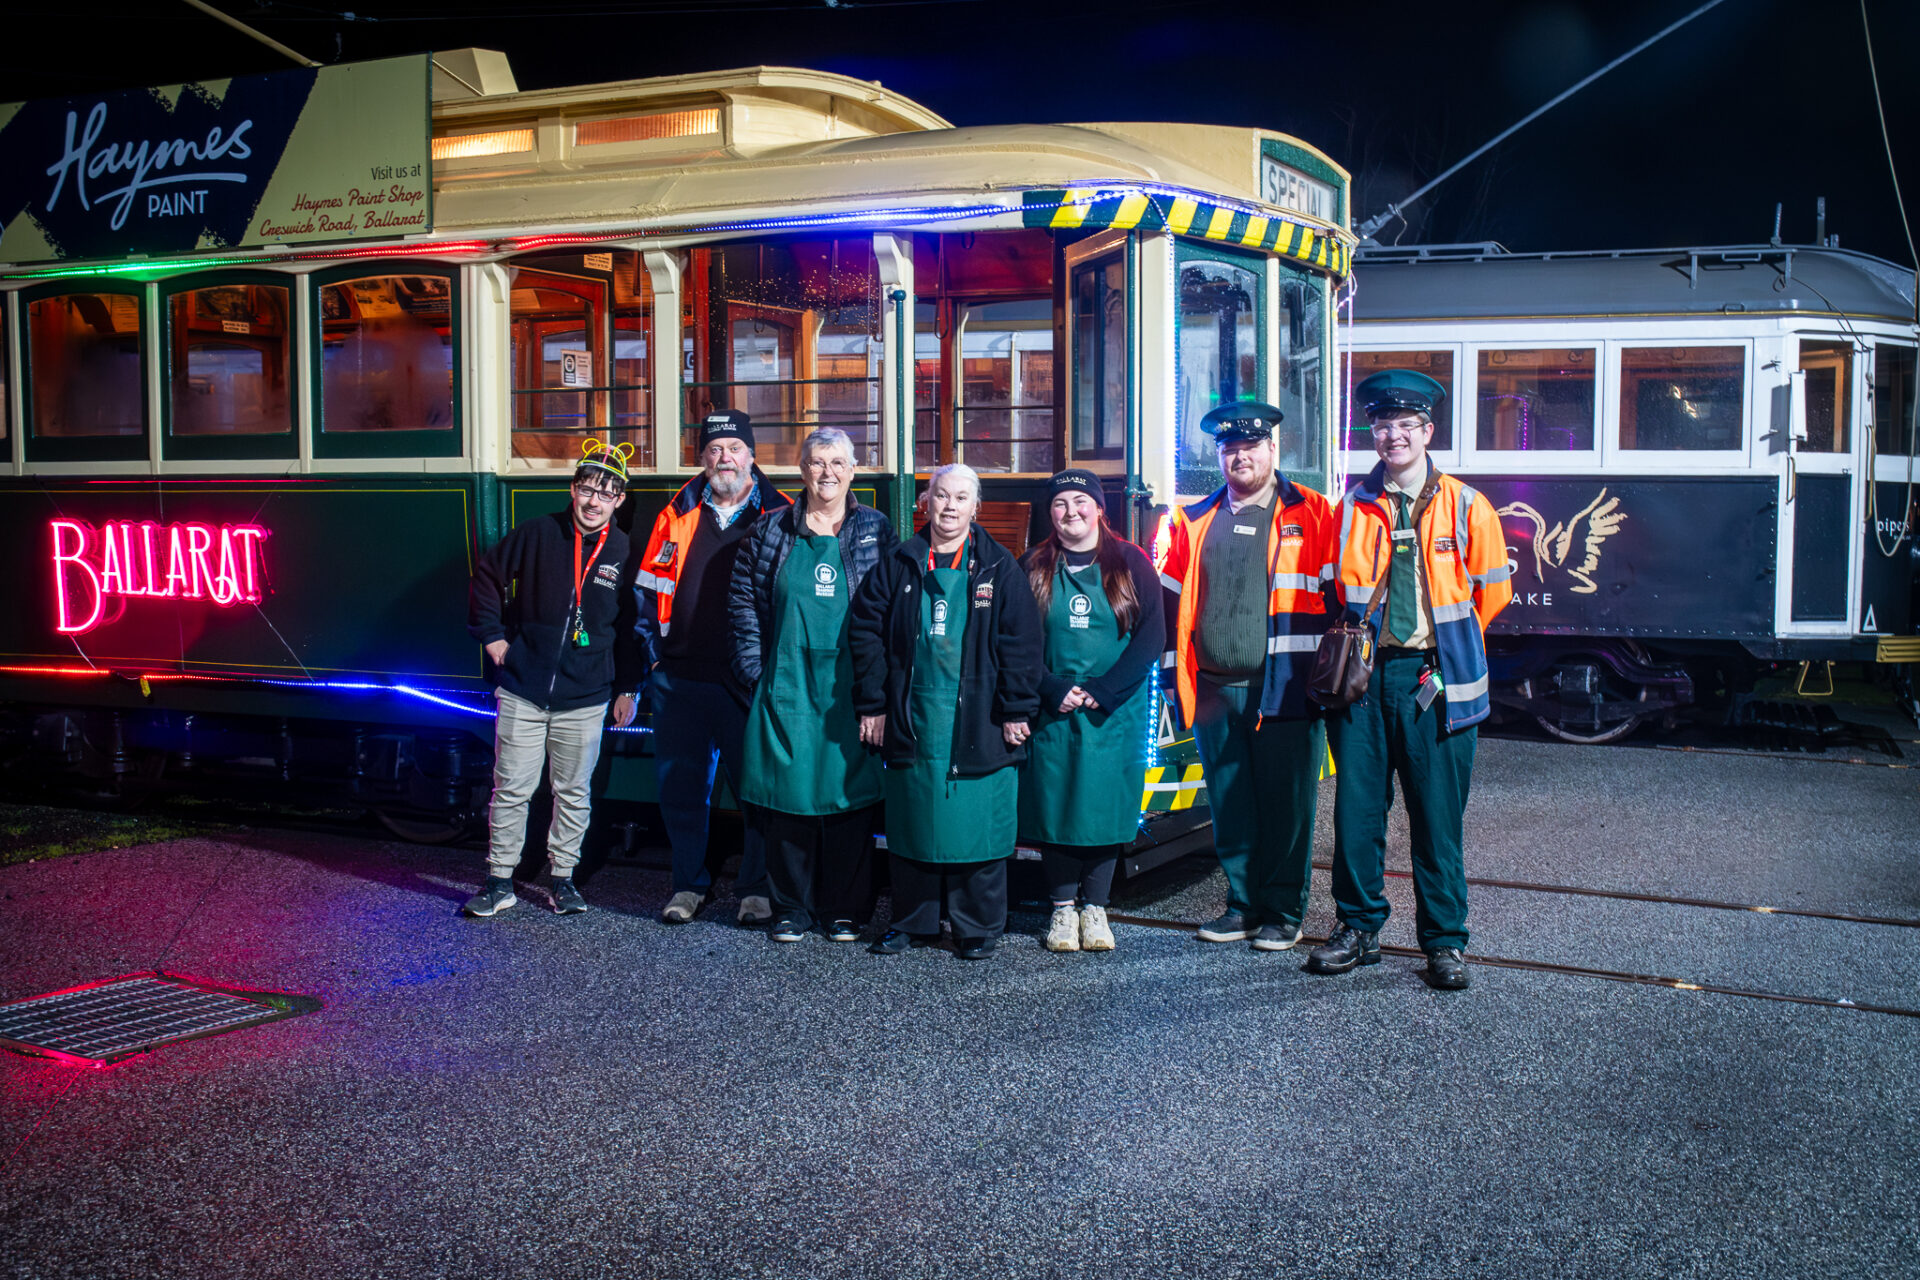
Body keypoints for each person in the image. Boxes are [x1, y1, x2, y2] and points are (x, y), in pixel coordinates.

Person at [1306, 369, 1513, 991]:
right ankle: (1359, 929)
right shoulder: (1350, 508)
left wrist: (1441, 649)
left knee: (1437, 816)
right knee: (1357, 811)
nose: (1391, 435)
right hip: (1363, 683)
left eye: (1404, 425)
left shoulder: (1468, 505)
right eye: (1381, 425)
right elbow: (1327, 587)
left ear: (1428, 431)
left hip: (1434, 679)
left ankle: (1444, 942)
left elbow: (1493, 593)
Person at [1157, 401, 1339, 951]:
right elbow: (1170, 608)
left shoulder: (1314, 513)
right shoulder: (1193, 521)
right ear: (1218, 457)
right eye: (1229, 449)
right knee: (1230, 800)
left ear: (1272, 450)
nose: (1240, 457)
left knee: (1288, 804)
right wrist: (1173, 679)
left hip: (1287, 686)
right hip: (1214, 688)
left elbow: (1341, 600)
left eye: (1250, 447)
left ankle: (1284, 911)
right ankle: (1242, 906)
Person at [848, 464, 1042, 961]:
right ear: (925, 503)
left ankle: (976, 926)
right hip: (915, 718)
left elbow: (1022, 645)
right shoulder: (899, 563)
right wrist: (873, 703)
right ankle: (913, 922)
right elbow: (865, 632)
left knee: (977, 826)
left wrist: (1018, 709)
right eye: (941, 496)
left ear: (976, 508)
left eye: (961, 498)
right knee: (913, 825)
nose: (950, 507)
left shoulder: (1001, 568)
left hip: (981, 719)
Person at [730, 427, 899, 943]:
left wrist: (880, 687)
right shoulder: (771, 530)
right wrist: (759, 675)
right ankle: (790, 909)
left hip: (851, 687)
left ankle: (845, 909)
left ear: (853, 471)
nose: (827, 473)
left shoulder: (876, 529)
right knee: (788, 800)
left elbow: (893, 610)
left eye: (837, 463)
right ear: (801, 470)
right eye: (816, 462)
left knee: (850, 799)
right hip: (787, 685)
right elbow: (743, 606)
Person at [464, 439, 640, 917]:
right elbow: (486, 576)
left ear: (619, 500)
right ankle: (499, 880)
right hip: (524, 687)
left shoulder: (622, 548)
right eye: (587, 488)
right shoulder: (538, 533)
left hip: (585, 696)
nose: (594, 501)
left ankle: (563, 880)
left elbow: (627, 626)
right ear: (573, 489)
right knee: (513, 789)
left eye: (606, 493)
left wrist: (627, 686)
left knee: (573, 792)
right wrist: (494, 636)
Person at [635, 409, 792, 926]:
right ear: (702, 458)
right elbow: (648, 592)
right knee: (681, 791)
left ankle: (756, 889)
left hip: (746, 682)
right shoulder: (674, 514)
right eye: (715, 449)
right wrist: (654, 659)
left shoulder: (781, 514)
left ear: (752, 456)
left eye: (735, 448)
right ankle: (687, 885)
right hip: (678, 677)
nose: (725, 458)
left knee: (756, 790)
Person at [1016, 470, 1164, 953]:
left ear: (1100, 508)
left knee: (1105, 807)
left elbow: (1151, 638)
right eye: (1060, 503)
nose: (1070, 511)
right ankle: (1061, 911)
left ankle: (1096, 907)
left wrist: (1104, 689)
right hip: (1053, 708)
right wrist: (1051, 686)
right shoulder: (1033, 564)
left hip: (1113, 711)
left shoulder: (1130, 562)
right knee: (1055, 807)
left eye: (1081, 501)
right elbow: (1015, 641)